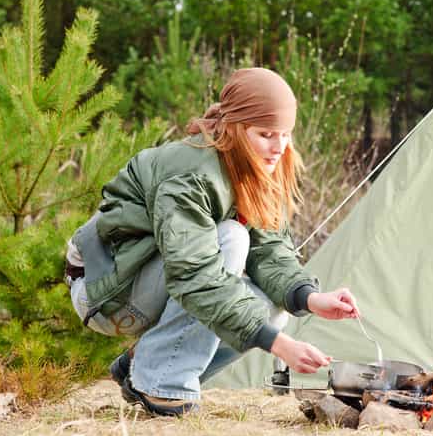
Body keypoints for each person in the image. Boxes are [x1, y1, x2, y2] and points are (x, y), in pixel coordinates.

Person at [65, 68, 359, 416]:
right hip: (106, 292)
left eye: (285, 135)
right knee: (231, 239)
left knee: (273, 310)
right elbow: (195, 277)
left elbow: (269, 249)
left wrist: (310, 297)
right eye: (266, 134)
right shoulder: (191, 175)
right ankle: (163, 386)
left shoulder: (254, 167)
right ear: (235, 128)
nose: (279, 147)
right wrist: (279, 347)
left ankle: (143, 366)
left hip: (151, 282)